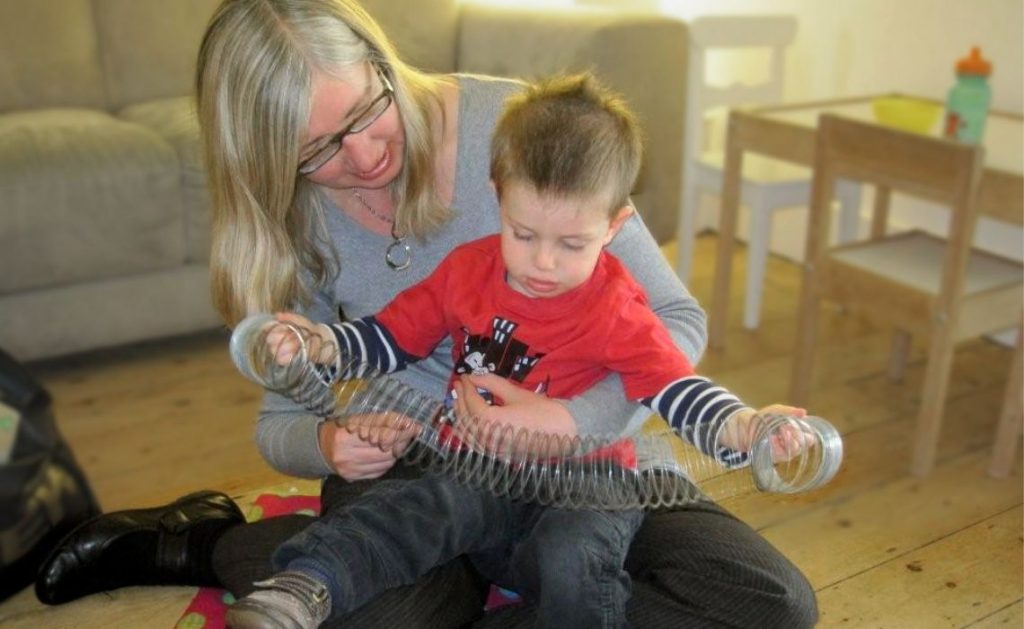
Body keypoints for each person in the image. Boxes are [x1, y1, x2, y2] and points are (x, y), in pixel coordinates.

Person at [36, 1, 818, 627]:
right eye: (319, 152)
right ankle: (214, 542)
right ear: (272, 160)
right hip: (421, 461)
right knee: (389, 596)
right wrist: (329, 439)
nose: (365, 155)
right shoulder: (311, 223)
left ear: (380, 62)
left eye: (367, 110)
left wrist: (572, 419)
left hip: (587, 462)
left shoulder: (527, 141)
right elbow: (301, 404)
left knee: (764, 599)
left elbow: (670, 325)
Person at [226, 73, 809, 629]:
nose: (543, 265)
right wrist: (321, 343)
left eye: (572, 243)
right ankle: (304, 584)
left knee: (574, 561)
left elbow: (676, 387)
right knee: (412, 512)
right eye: (523, 234)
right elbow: (389, 338)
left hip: (587, 487)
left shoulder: (617, 308)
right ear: (497, 197)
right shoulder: (467, 270)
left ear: (614, 226)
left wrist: (744, 426)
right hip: (477, 469)